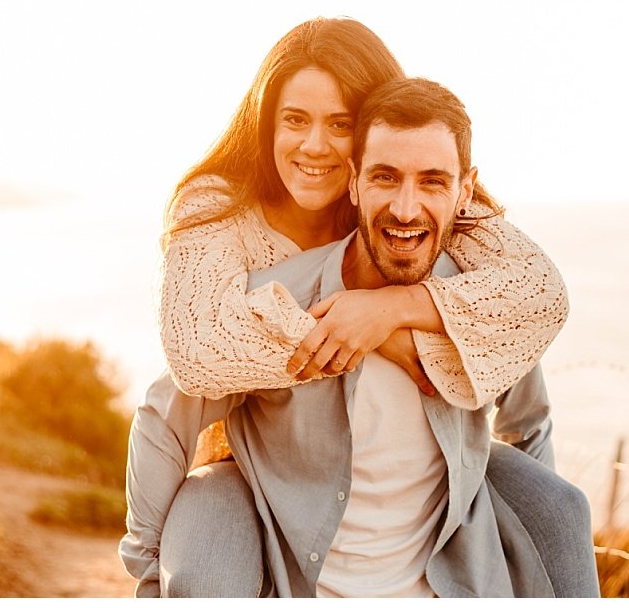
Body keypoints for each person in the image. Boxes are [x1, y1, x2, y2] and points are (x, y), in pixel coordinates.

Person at [122, 77, 599, 597]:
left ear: (466, 190)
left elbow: (528, 423)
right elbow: (167, 411)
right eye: (385, 177)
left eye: (434, 181)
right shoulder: (283, 300)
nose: (406, 208)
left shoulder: (482, 310)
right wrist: (148, 575)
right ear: (353, 183)